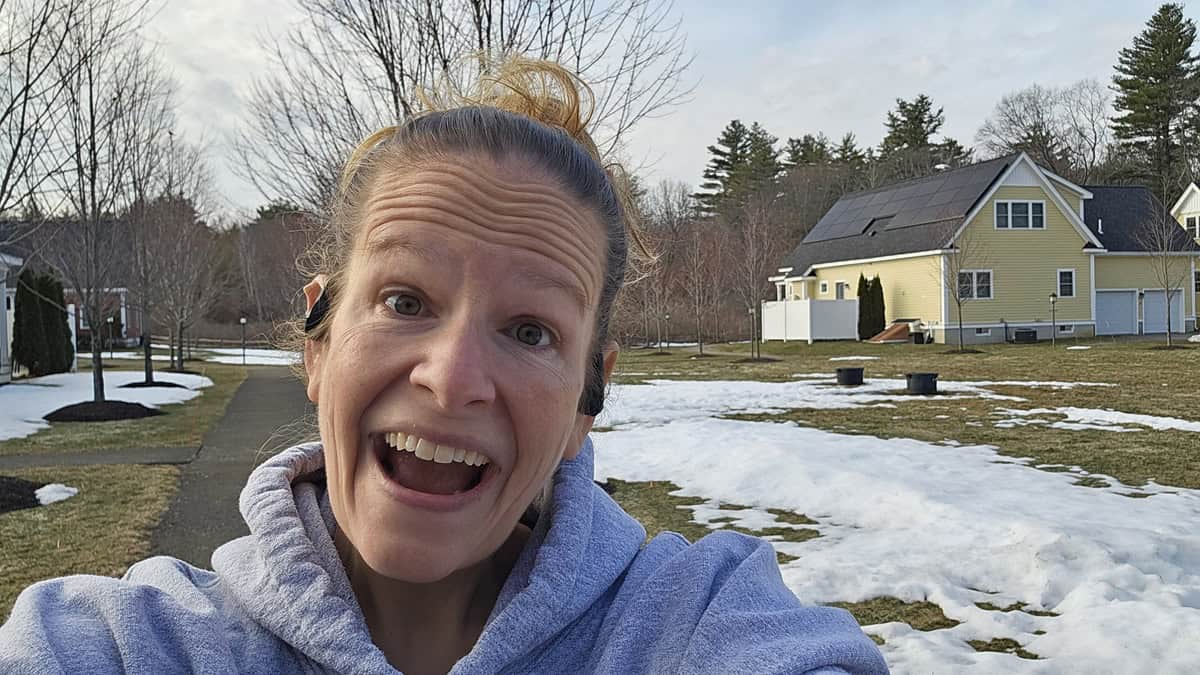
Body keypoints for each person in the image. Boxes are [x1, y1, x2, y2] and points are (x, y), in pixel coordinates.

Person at [0, 58, 888, 674]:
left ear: (590, 396)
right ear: (317, 343)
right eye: (404, 301)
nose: (452, 376)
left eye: (533, 331)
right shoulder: (127, 643)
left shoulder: (697, 621)